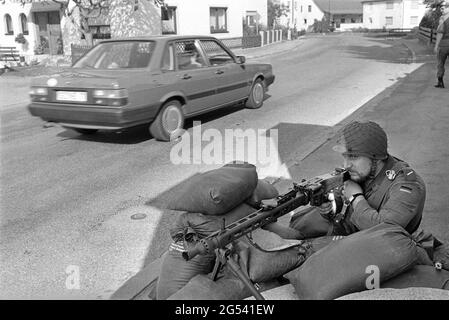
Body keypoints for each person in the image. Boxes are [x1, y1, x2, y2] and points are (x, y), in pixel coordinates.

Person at [325, 121, 426, 235]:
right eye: (345, 156)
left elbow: (385, 230)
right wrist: (330, 206)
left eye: (353, 156)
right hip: (358, 239)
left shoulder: (407, 184)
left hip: (390, 248)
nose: (346, 165)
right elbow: (342, 205)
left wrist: (356, 198)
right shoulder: (360, 172)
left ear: (375, 158)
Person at [434, 3, 449, 88]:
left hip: (444, 44)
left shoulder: (443, 18)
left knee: (440, 63)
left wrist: (436, 46)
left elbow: (440, 33)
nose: (441, 10)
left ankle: (440, 82)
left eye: (443, 8)